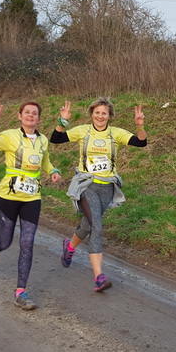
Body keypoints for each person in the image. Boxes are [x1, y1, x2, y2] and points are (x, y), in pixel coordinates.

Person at [50, 98, 147, 292]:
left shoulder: (116, 133)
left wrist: (139, 126)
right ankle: (98, 277)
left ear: (109, 116)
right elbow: (56, 139)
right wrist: (63, 122)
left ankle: (70, 246)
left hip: (107, 188)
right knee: (97, 226)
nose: (100, 116)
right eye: (97, 112)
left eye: (104, 113)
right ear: (91, 114)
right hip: (86, 185)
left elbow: (141, 142)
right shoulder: (83, 130)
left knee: (88, 224)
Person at [0, 101, 61, 310]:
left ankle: (21, 291)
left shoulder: (42, 140)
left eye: (35, 113)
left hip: (32, 197)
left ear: (39, 118)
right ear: (20, 116)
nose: (31, 116)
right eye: (27, 112)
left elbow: (45, 162)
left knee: (27, 241)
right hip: (8, 195)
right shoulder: (9, 136)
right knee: (5, 242)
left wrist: (52, 171)